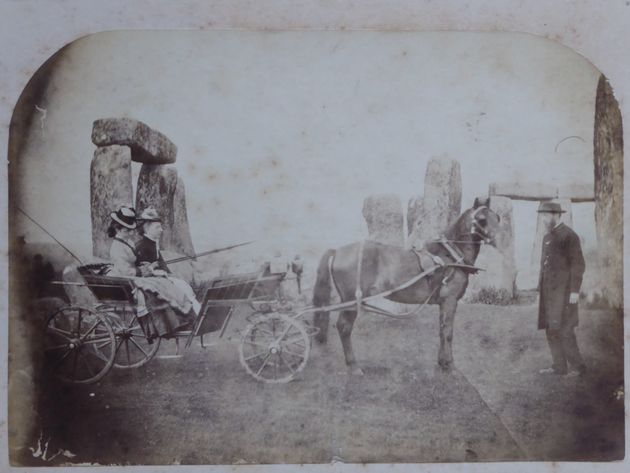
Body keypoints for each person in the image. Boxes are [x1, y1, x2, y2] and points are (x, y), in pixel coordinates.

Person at [537, 201, 586, 377]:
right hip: (549, 294)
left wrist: (574, 291)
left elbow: (578, 265)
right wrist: (540, 291)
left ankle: (578, 368)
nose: (543, 219)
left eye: (546, 215)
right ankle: (559, 367)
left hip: (565, 293)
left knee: (565, 330)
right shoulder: (547, 237)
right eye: (542, 215)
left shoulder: (569, 236)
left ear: (557, 215)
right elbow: (545, 266)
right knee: (551, 329)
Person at [135, 207, 201, 315]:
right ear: (147, 228)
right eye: (157, 227)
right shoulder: (141, 247)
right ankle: (192, 314)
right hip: (152, 281)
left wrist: (171, 274)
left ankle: (194, 313)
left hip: (160, 277)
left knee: (183, 285)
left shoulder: (153, 244)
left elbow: (161, 263)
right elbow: (144, 270)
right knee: (181, 289)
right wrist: (160, 272)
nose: (161, 230)